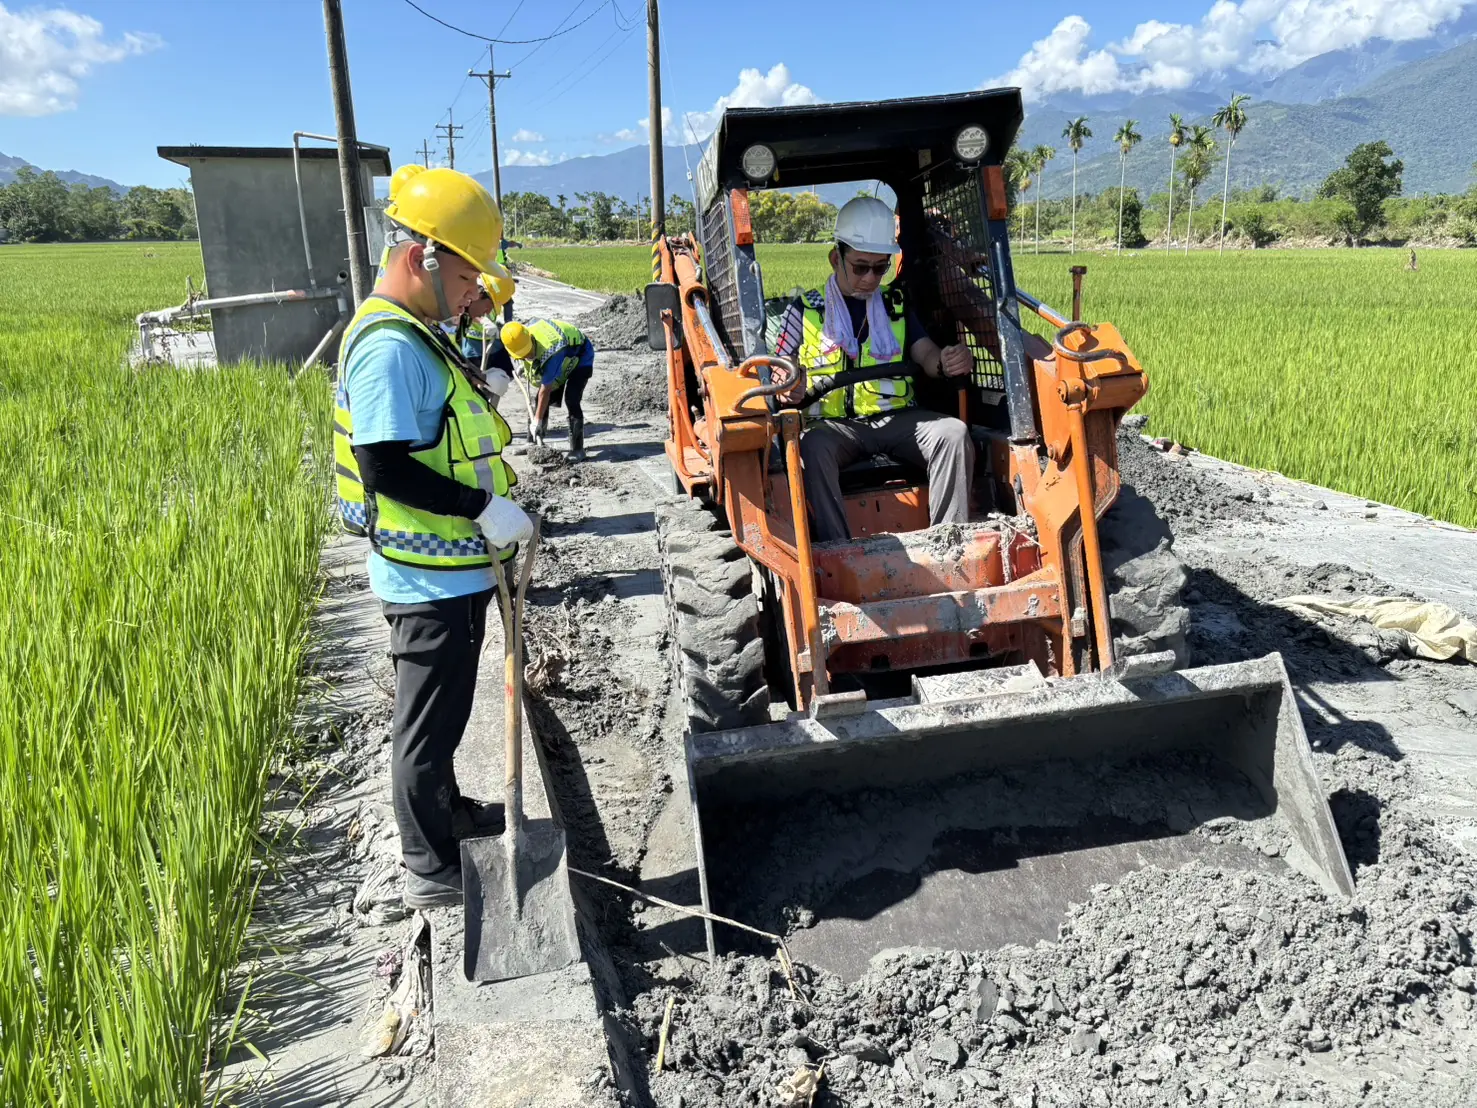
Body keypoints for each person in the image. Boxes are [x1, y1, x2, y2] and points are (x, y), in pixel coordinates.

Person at [333, 165, 533, 910]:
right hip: (426, 576)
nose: (468, 292)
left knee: (445, 714)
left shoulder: (420, 334)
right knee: (422, 725)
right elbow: (383, 466)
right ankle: (428, 864)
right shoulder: (389, 346)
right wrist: (480, 508)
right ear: (423, 254)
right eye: (464, 274)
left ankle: (448, 814)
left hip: (451, 570)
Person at [773, 196, 975, 543]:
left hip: (896, 420)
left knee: (953, 433)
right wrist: (789, 385)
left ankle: (950, 542)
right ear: (837, 258)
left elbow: (925, 353)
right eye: (861, 267)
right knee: (813, 448)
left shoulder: (896, 306)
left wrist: (946, 361)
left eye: (879, 268)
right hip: (834, 428)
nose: (870, 278)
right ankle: (837, 549)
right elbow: (782, 370)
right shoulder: (803, 310)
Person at [500, 318, 597, 462]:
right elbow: (528, 357)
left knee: (572, 398)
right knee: (538, 400)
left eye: (529, 352)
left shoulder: (552, 349)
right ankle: (532, 442)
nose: (529, 356)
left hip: (581, 357)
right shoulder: (522, 336)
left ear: (531, 339)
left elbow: (545, 390)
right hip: (562, 357)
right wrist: (525, 365)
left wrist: (537, 420)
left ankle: (578, 450)